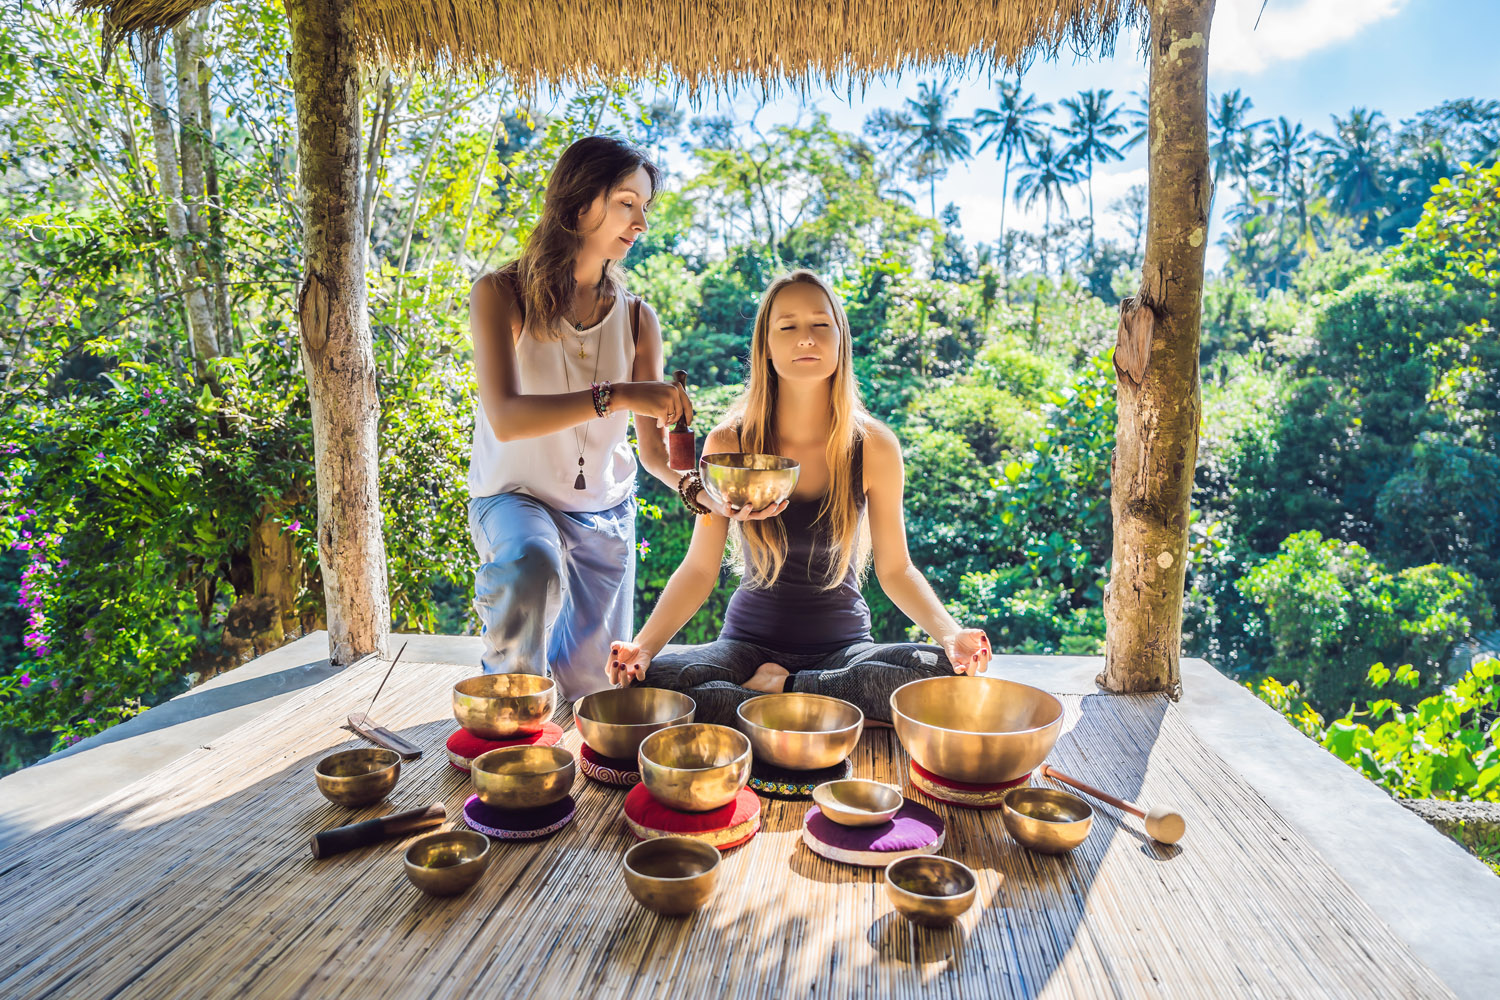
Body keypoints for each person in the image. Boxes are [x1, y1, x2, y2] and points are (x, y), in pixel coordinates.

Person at [605, 269, 991, 723]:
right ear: (765, 347)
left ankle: (779, 692)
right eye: (787, 327)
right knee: (648, 685)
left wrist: (950, 635)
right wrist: (643, 647)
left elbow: (896, 569)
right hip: (744, 648)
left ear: (841, 340)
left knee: (942, 675)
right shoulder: (730, 443)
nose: (805, 338)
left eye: (820, 325)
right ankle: (803, 703)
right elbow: (699, 568)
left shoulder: (875, 447)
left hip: (844, 653)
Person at [466, 135, 698, 702]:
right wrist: (618, 393)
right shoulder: (501, 294)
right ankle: (509, 714)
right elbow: (507, 419)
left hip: (606, 507)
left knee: (594, 689)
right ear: (576, 205)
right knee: (531, 565)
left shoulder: (640, 319)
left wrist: (695, 486)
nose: (640, 222)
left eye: (645, 207)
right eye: (625, 202)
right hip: (515, 495)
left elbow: (649, 453)